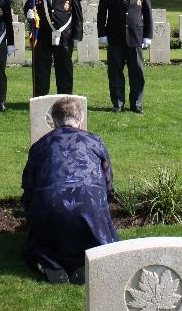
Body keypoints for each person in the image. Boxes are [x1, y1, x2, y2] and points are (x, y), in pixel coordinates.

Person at [21, 96, 119, 284]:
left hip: (50, 209)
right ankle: (87, 260)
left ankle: (49, 263)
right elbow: (108, 185)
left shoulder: (40, 146)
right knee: (99, 240)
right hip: (90, 209)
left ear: (54, 122)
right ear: (80, 121)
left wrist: (29, 211)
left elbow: (29, 186)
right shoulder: (95, 142)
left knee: (42, 241)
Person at [97, 0, 153, 113]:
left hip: (135, 36)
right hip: (114, 36)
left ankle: (136, 103)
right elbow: (102, 12)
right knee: (115, 72)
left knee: (137, 72)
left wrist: (148, 35)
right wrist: (101, 33)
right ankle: (118, 103)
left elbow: (147, 12)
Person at [25, 0, 83, 96]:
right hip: (42, 36)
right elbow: (28, 6)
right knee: (41, 69)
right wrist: (28, 13)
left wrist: (77, 35)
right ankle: (40, 98)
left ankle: (64, 99)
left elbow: (77, 13)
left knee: (64, 69)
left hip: (64, 37)